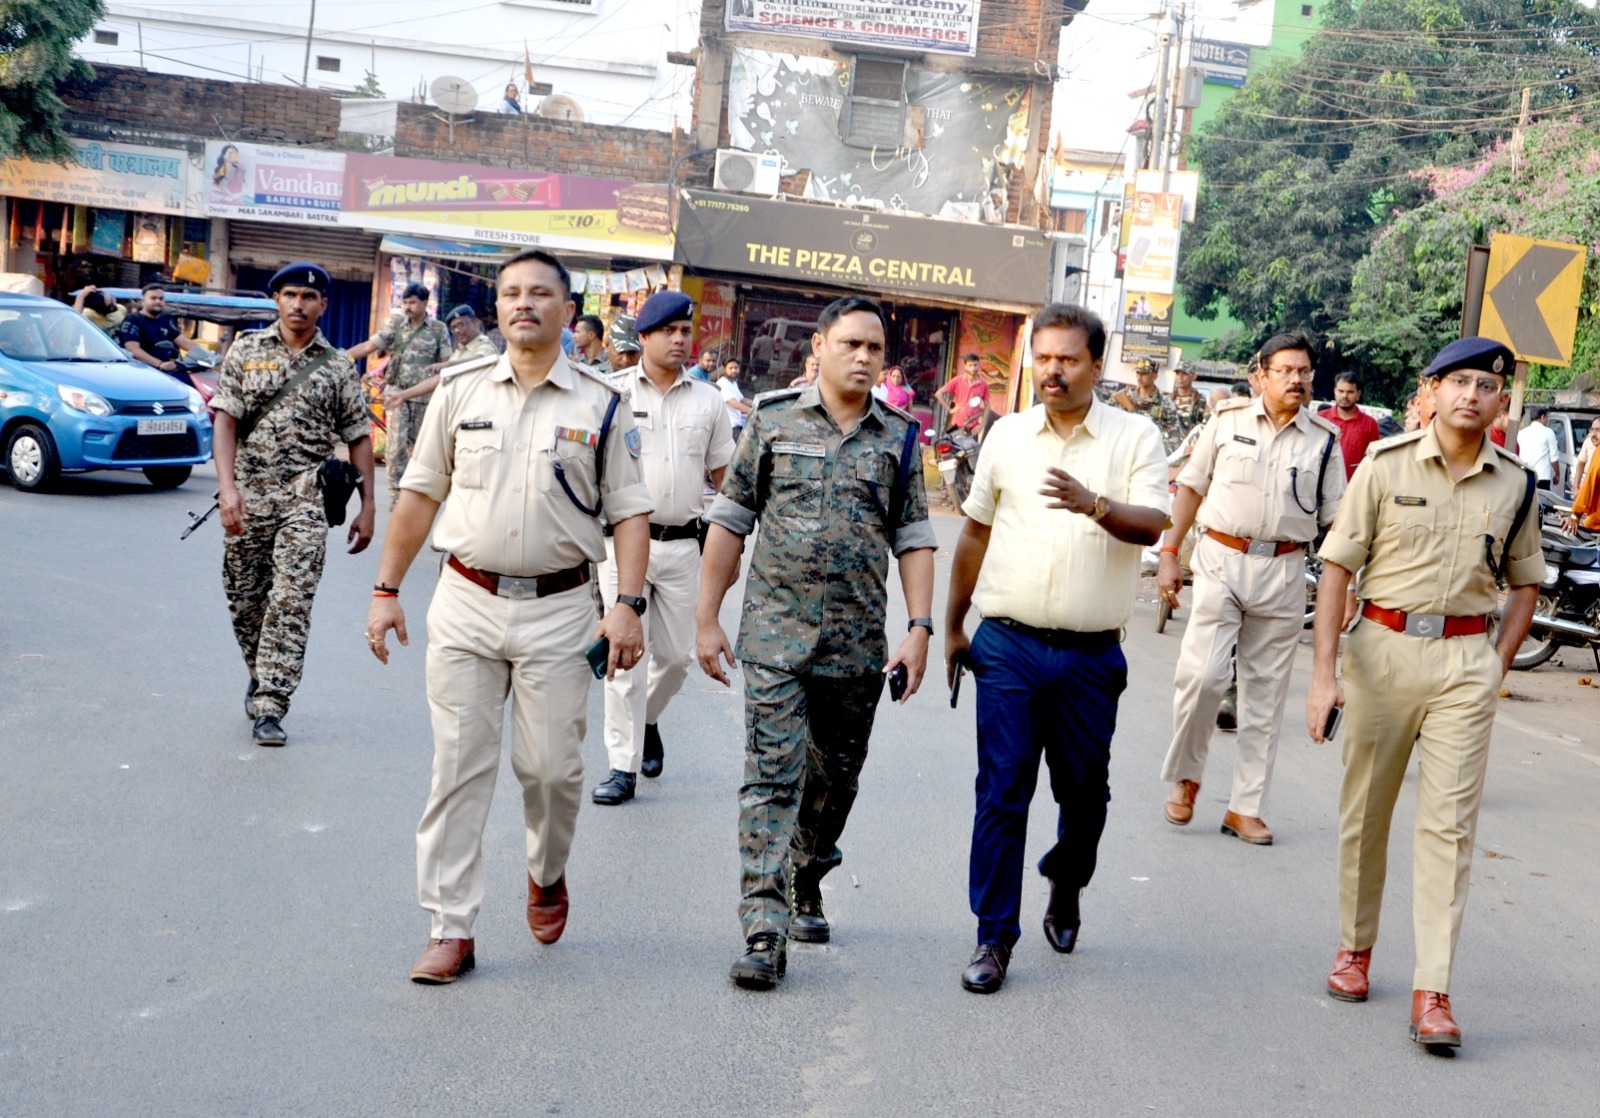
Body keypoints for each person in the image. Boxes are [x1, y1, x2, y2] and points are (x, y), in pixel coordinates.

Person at [363, 249, 654, 986]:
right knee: (458, 768)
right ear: (496, 308)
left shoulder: (602, 402)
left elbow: (629, 512)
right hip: (466, 601)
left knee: (552, 771)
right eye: (511, 293)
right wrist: (386, 589)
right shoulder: (460, 390)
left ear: (568, 310)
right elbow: (420, 494)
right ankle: (450, 926)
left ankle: (546, 871)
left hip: (560, 609)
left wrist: (627, 605)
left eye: (540, 293)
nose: (524, 303)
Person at [1307, 336, 1541, 1049]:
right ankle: (1355, 947)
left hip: (1466, 661)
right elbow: (1337, 570)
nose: (1472, 395)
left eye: (1486, 386)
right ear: (1431, 390)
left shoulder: (1516, 483)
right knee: (1366, 810)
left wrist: (1496, 666)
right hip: (1381, 651)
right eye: (1459, 382)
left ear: (1501, 402)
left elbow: (1526, 582)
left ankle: (1433, 988)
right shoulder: (1385, 465)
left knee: (1450, 826)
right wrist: (1324, 676)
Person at [696, 295, 936, 990]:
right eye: (850, 343)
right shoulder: (772, 420)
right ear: (819, 349)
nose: (863, 357)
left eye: (874, 348)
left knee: (835, 780)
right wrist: (707, 617)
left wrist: (919, 629)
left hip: (856, 644)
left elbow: (914, 536)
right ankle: (763, 928)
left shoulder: (900, 436)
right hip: (775, 637)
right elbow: (731, 519)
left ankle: (810, 870)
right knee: (771, 778)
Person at [944, 305, 1168, 995]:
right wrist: (952, 625)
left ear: (1096, 365)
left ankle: (1066, 879)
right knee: (1002, 790)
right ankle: (993, 935)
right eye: (1043, 358)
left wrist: (1094, 504)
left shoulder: (1135, 437)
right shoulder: (1007, 435)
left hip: (1090, 657)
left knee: (1084, 794)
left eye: (1068, 359)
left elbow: (1154, 524)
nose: (1053, 370)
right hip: (1008, 645)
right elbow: (975, 532)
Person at [1156, 333, 1346, 845]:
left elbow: (1337, 523)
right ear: (1261, 375)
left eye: (1304, 371)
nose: (1296, 380)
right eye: (1285, 370)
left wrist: (1348, 585)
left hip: (1285, 570)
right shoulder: (1227, 421)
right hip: (1221, 558)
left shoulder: (1324, 440)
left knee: (1264, 694)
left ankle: (1245, 807)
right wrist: (1169, 552)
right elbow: (1191, 488)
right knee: (1203, 676)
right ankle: (1187, 775)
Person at [210, 262, 377, 748]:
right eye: (290, 295)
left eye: (308, 296)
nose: (298, 304)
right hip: (249, 497)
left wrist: (368, 506)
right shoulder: (246, 351)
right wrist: (227, 488)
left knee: (291, 598)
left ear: (323, 304)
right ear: (276, 300)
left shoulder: (338, 365)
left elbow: (358, 437)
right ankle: (260, 671)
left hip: (307, 498)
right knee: (245, 602)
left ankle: (271, 703)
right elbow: (225, 421)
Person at [591, 292, 736, 806]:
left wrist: (733, 547)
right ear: (645, 337)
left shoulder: (709, 401)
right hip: (621, 545)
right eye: (669, 331)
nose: (680, 340)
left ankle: (648, 719)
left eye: (685, 331)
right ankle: (621, 766)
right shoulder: (611, 394)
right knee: (625, 656)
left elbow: (727, 480)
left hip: (683, 545)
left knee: (676, 658)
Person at [348, 282, 453, 508]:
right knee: (395, 446)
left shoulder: (438, 329)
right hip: (396, 394)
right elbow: (369, 346)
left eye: (413, 302)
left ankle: (414, 492)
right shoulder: (396, 325)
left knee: (420, 448)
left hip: (424, 396)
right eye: (405, 302)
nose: (408, 307)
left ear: (425, 303)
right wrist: (342, 358)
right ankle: (397, 496)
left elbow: (446, 364)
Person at [384, 305, 499, 409]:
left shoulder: (484, 345)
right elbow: (437, 380)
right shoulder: (459, 351)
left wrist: (447, 364)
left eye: (461, 324)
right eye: (453, 327)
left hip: (477, 409)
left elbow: (480, 361)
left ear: (475, 323)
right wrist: (402, 395)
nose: (457, 330)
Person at [118, 283, 204, 379]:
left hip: (166, 372)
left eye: (161, 298)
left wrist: (208, 355)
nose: (158, 301)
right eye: (153, 298)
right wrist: (159, 364)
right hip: (141, 372)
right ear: (142, 301)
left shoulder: (165, 319)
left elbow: (184, 342)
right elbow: (133, 349)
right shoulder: (133, 320)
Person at [1319, 372, 1382, 481]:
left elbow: (1374, 461)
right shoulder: (1320, 418)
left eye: (1350, 392)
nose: (1344, 396)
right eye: (1341, 391)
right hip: (1323, 484)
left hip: (1356, 486)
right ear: (1334, 391)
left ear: (1358, 394)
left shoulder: (1370, 424)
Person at [936, 353, 989, 434]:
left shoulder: (983, 384)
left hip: (973, 428)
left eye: (975, 365)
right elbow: (938, 393)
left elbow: (987, 406)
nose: (973, 368)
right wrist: (950, 410)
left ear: (978, 365)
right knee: (950, 441)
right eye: (970, 365)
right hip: (956, 426)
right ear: (965, 366)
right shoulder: (957, 380)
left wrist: (982, 425)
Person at [1516, 406, 1561, 492]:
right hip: (1542, 478)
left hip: (1524, 476)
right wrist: (1557, 474)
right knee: (1542, 500)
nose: (1547, 420)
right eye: (1547, 417)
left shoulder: (1521, 433)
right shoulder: (1549, 432)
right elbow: (1554, 459)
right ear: (1542, 417)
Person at [1169, 361, 1205, 442]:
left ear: (1194, 376)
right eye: (1178, 374)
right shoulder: (1168, 399)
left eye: (1185, 374)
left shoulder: (1201, 401)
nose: (1180, 377)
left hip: (1191, 444)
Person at [717, 357, 751, 438]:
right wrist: (753, 412)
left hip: (736, 425)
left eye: (736, 368)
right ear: (724, 370)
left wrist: (758, 404)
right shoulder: (722, 384)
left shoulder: (733, 383)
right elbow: (734, 403)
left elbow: (742, 399)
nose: (734, 370)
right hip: (729, 426)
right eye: (730, 368)